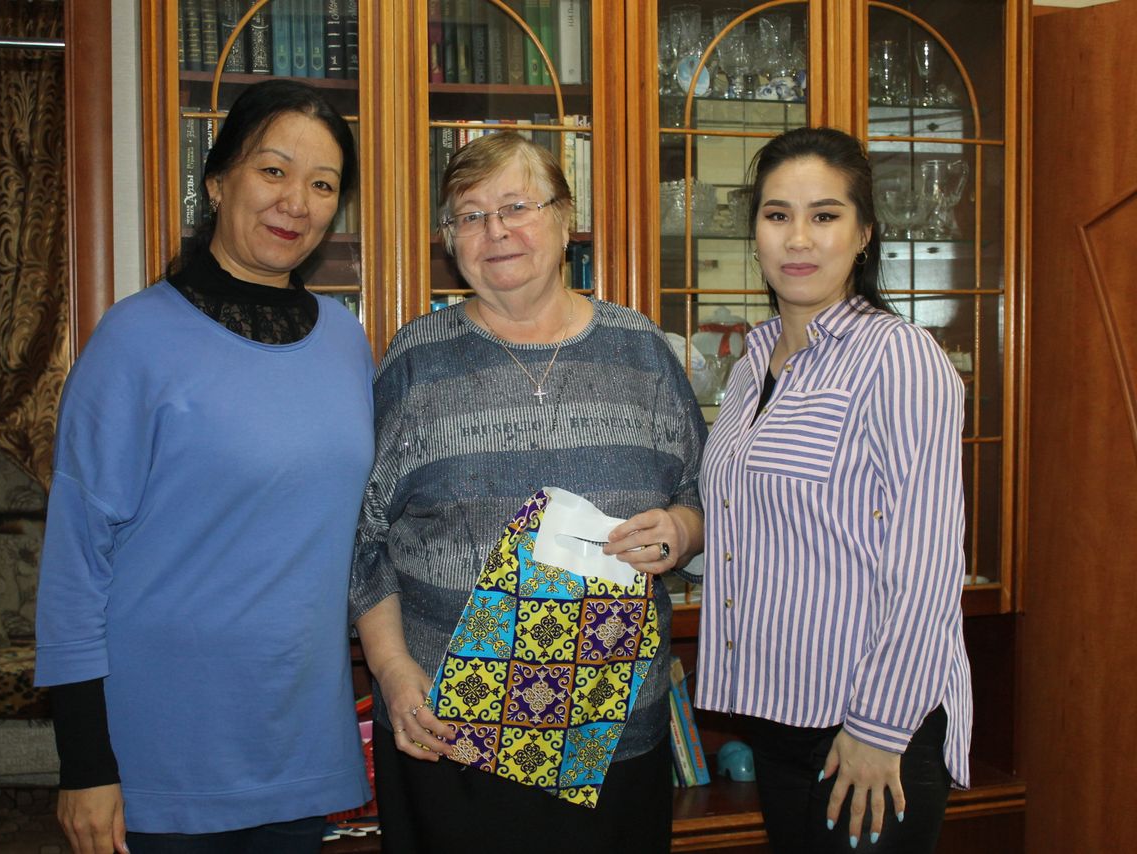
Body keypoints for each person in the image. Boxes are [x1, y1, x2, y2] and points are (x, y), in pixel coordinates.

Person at [34, 80, 372, 854]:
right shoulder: (134, 340)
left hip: (297, 741)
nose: (296, 202)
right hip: (160, 750)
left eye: (323, 185)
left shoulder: (345, 343)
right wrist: (84, 762)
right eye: (273, 170)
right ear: (218, 181)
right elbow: (76, 563)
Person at [349, 130, 707, 853]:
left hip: (611, 741)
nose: (495, 231)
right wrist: (392, 672)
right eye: (470, 216)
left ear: (565, 219)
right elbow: (361, 539)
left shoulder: (641, 351)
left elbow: (703, 496)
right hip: (447, 734)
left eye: (516, 206)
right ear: (450, 240)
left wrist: (680, 529)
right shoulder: (416, 361)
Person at [695, 126, 972, 854]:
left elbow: (927, 564)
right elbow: (751, 525)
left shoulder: (898, 357)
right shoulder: (752, 365)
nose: (798, 238)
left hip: (873, 730)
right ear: (755, 231)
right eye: (777, 214)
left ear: (864, 234)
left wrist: (879, 730)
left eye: (824, 215)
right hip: (780, 717)